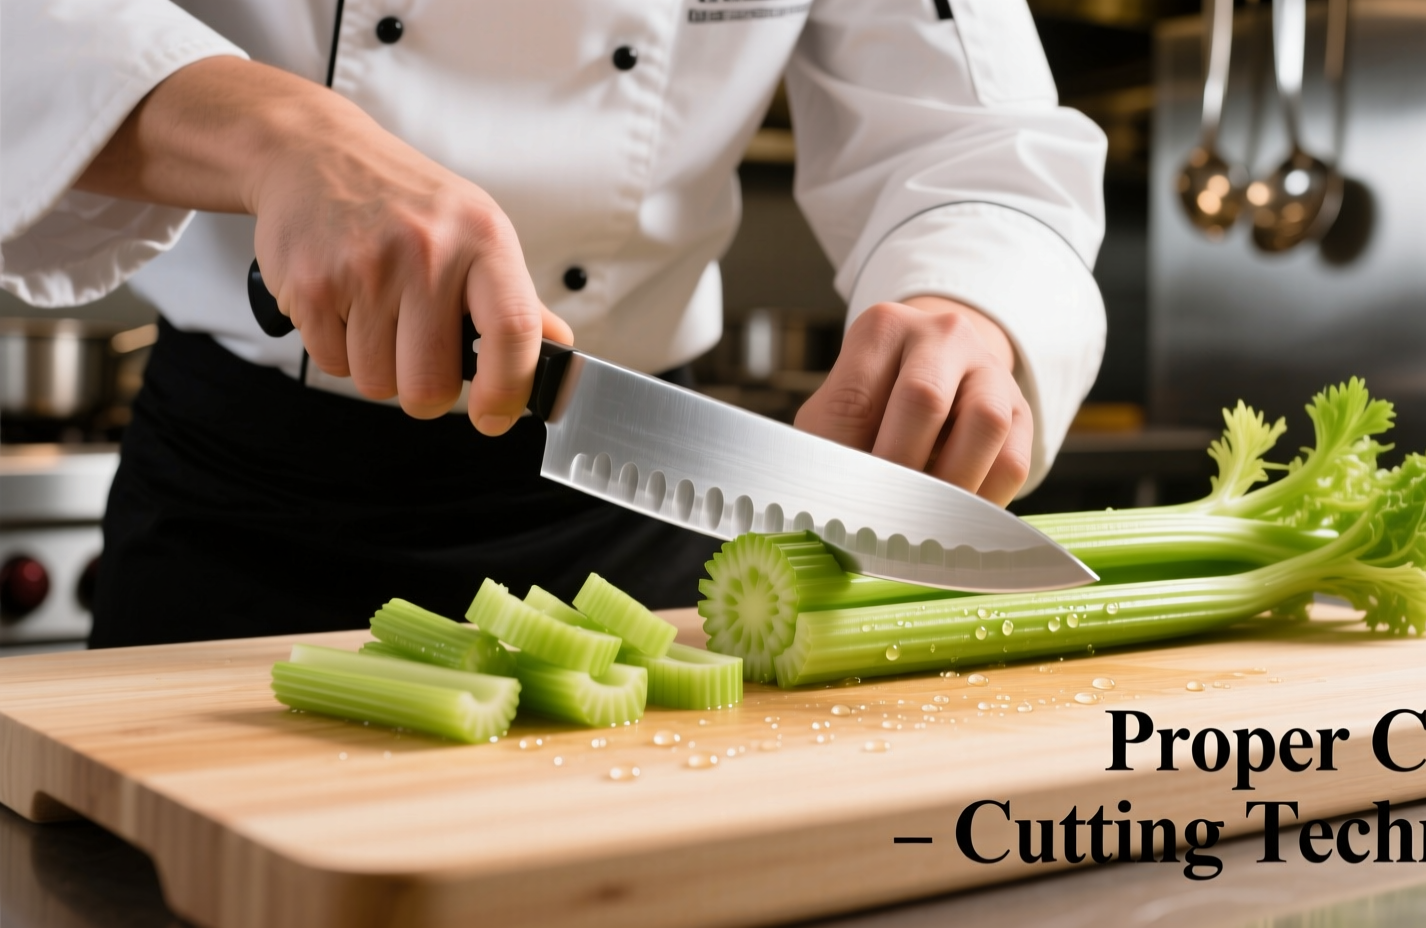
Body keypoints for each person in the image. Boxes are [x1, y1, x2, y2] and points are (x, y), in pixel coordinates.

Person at [1, 0, 1108, 647]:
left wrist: (968, 300)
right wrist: (278, 133)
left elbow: (969, 130)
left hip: (641, 533)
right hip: (248, 517)